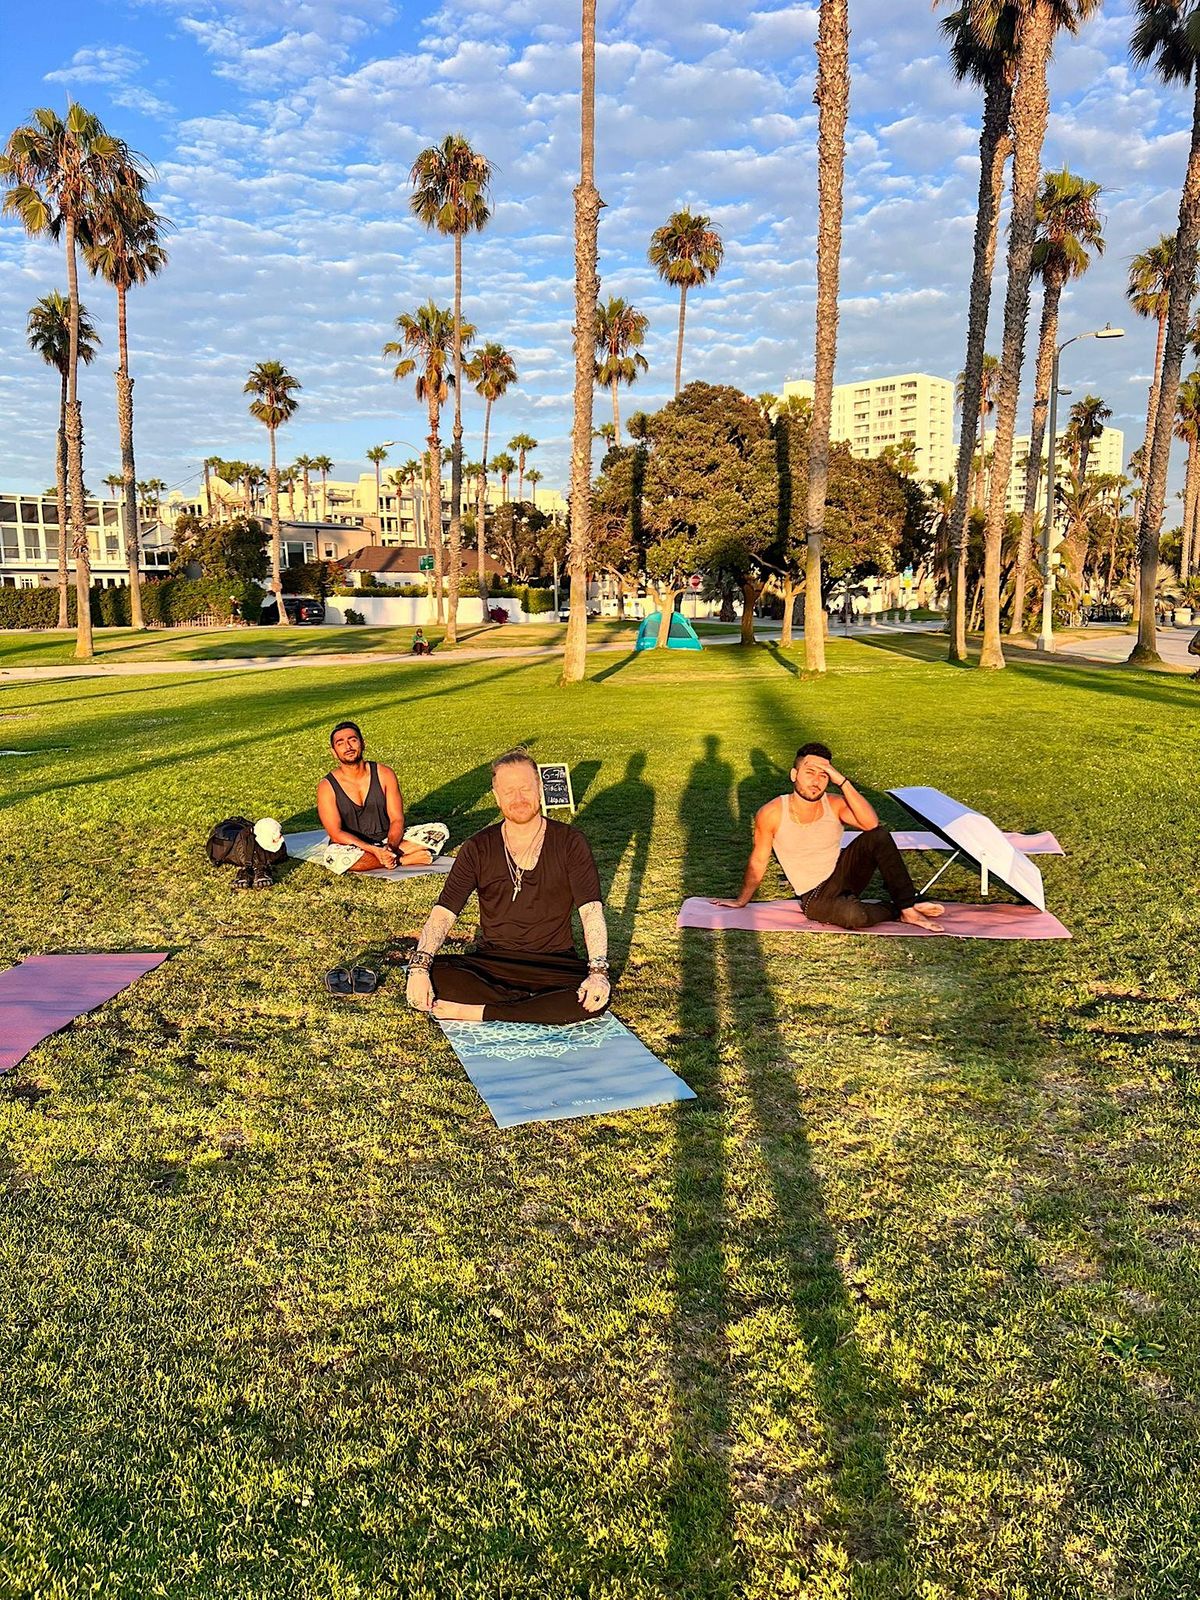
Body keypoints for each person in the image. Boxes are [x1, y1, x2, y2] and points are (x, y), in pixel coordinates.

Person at [406, 749, 612, 1023]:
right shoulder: (477, 847)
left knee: (590, 999)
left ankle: (480, 1011)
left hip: (553, 964)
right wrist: (419, 968)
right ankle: (530, 1008)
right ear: (497, 796)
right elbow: (444, 912)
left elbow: (591, 910)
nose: (518, 799)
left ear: (539, 789)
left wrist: (598, 972)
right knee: (435, 977)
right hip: (494, 962)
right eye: (509, 791)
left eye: (525, 789)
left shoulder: (570, 842)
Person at [714, 742, 944, 931]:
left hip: (844, 876)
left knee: (879, 835)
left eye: (823, 775)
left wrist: (842, 782)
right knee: (855, 916)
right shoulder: (772, 812)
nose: (816, 781)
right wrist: (741, 900)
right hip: (814, 896)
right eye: (810, 773)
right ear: (794, 775)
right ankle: (899, 910)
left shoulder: (834, 804)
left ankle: (908, 906)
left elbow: (871, 824)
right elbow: (759, 859)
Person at [316, 721, 448, 873]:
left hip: (389, 840)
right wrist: (373, 850)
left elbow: (397, 819)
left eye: (353, 740)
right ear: (334, 752)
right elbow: (335, 833)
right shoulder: (327, 786)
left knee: (439, 830)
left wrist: (390, 846)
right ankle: (403, 859)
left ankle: (385, 857)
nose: (348, 747)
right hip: (354, 846)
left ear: (363, 744)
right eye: (341, 743)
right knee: (332, 858)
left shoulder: (384, 774)